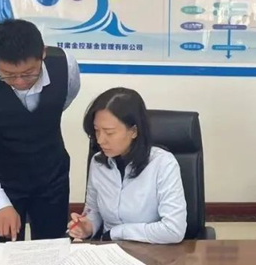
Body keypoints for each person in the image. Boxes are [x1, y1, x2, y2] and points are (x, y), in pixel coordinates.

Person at [0, 18, 81, 242]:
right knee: (2, 252)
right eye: (9, 75)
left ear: (42, 53)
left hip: (52, 176)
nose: (20, 81)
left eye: (30, 72)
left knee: (53, 248)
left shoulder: (65, 65)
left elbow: (63, 100)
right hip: (0, 179)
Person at [67, 88, 186, 244]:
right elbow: (93, 211)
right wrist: (87, 227)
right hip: (109, 250)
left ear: (134, 131)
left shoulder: (163, 164)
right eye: (96, 131)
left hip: (153, 251)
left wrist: (117, 232)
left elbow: (173, 230)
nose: (100, 140)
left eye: (109, 132)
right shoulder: (98, 163)